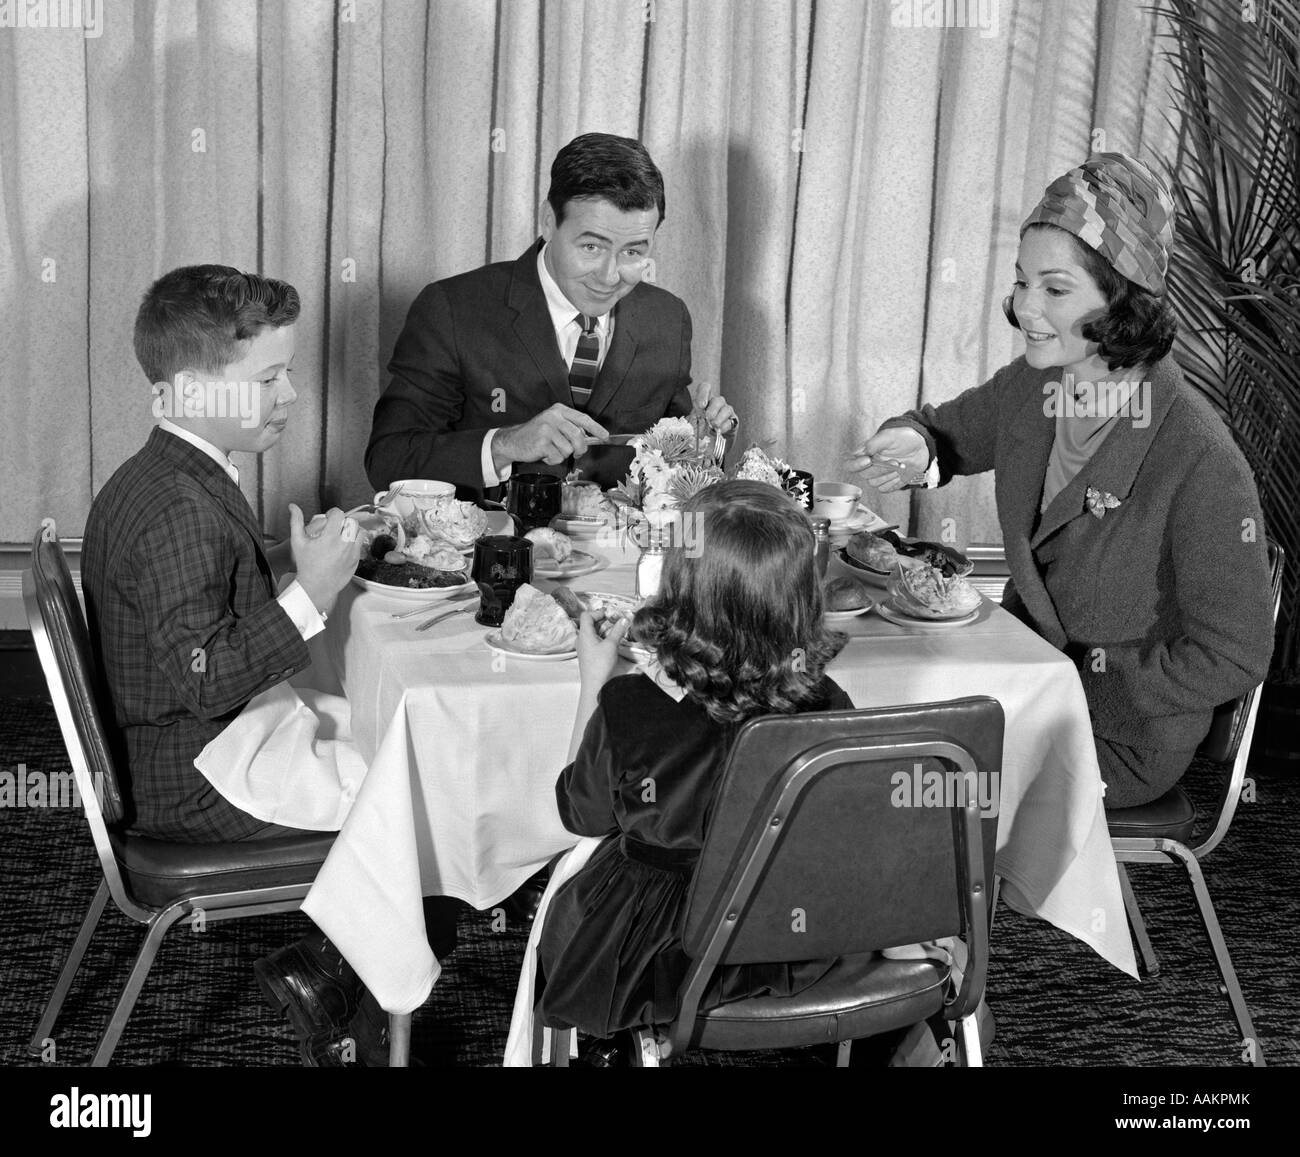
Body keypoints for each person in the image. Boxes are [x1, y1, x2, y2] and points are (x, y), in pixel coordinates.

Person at [850, 153, 1275, 809]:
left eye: (1054, 289)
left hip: (1116, 738)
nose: (1024, 309)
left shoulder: (1199, 459)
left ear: (1123, 300)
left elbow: (1235, 652)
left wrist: (1077, 677)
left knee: (894, 780)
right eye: (1021, 283)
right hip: (1018, 688)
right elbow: (949, 430)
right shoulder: (1038, 383)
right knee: (857, 724)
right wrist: (916, 441)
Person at [81, 265, 413, 1066]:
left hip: (189, 740)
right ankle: (363, 1021)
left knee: (399, 741)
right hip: (193, 771)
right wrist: (313, 594)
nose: (292, 394)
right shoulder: (177, 508)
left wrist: (298, 572)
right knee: (413, 793)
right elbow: (206, 676)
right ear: (194, 391)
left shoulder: (173, 471)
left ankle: (328, 974)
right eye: (268, 376)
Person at [535, 482, 849, 1055]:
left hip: (655, 952)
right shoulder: (827, 701)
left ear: (679, 584)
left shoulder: (630, 704)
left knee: (567, 916)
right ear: (804, 595)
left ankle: (618, 1045)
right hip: (783, 934)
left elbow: (580, 815)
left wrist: (593, 682)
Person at [365, 132, 737, 499]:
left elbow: (671, 466)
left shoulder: (668, 318)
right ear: (548, 222)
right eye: (591, 246)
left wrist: (705, 438)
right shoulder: (451, 308)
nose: (610, 277)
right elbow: (389, 459)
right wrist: (504, 445)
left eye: (633, 253)